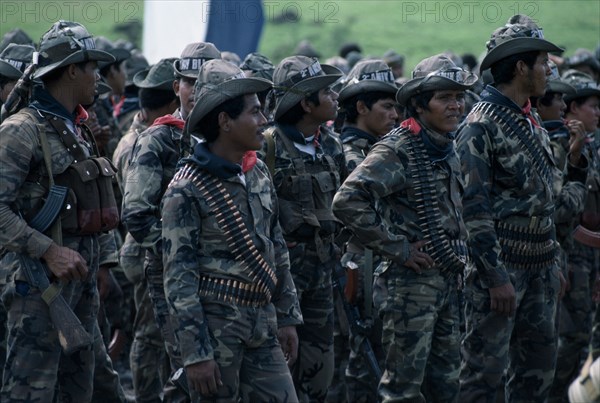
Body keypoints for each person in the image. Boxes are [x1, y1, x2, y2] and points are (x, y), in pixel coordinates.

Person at [333, 54, 476, 403]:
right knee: (403, 390)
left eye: (459, 97)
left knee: (446, 385)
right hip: (409, 287)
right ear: (419, 104)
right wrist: (398, 247)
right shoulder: (398, 148)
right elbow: (347, 200)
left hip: (447, 279)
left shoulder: (445, 145)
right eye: (445, 98)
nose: (456, 105)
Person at [162, 58, 302, 402]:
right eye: (254, 112)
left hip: (263, 321)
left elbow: (276, 247)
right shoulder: (186, 189)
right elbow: (179, 278)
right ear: (225, 121)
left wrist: (286, 316)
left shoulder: (256, 174)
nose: (264, 121)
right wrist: (196, 354)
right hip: (216, 329)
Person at [0, 20, 119, 401]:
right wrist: (48, 250)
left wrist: (102, 264)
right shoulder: (22, 130)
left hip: (80, 288)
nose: (97, 79)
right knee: (30, 392)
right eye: (91, 69)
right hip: (37, 288)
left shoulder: (77, 130)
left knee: (77, 391)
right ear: (71, 69)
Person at [456, 19, 574, 402]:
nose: (550, 69)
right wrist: (494, 276)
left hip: (540, 265)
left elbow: (544, 198)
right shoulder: (480, 126)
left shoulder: (530, 120)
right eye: (542, 61)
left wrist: (552, 258)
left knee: (536, 375)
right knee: (484, 378)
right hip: (504, 270)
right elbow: (474, 210)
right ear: (521, 67)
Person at [121, 42, 221, 399]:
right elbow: (136, 212)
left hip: (223, 274)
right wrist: (175, 252)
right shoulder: (159, 140)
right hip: (172, 273)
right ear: (176, 86)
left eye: (206, 82)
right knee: (187, 365)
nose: (197, 91)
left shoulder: (227, 133)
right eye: (190, 82)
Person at [262, 55, 346, 402]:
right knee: (278, 371)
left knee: (320, 370)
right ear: (306, 103)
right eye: (326, 92)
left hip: (324, 276)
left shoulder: (330, 145)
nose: (335, 97)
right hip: (282, 278)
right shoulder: (266, 146)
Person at [113, 57, 179, 403]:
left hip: (149, 247)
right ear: (172, 101)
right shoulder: (140, 144)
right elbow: (137, 210)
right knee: (151, 334)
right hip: (146, 250)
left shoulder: (142, 137)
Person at [335, 58, 398, 402]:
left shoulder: (381, 149)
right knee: (362, 367)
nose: (395, 115)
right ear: (361, 107)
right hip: (360, 269)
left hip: (378, 268)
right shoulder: (349, 154)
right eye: (387, 107)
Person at [550, 70, 600, 402]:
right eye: (592, 106)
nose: (597, 113)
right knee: (571, 337)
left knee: (586, 337)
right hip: (571, 253)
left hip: (591, 255)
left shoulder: (590, 145)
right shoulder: (560, 144)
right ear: (571, 109)